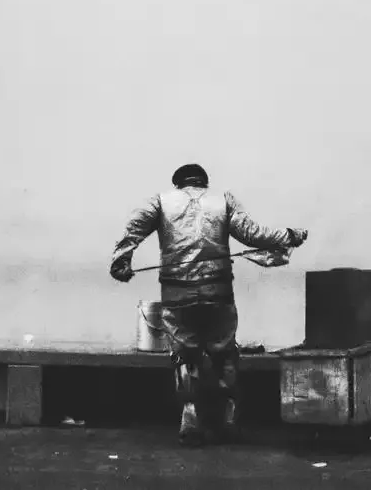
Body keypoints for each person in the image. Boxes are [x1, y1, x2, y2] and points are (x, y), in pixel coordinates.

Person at [109, 163, 308, 446]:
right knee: (224, 354)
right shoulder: (223, 201)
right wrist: (290, 236)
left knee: (184, 355)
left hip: (177, 294)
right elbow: (253, 234)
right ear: (204, 182)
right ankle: (227, 421)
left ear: (178, 183)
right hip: (218, 292)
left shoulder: (161, 201)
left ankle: (190, 419)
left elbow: (134, 228)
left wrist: (122, 260)